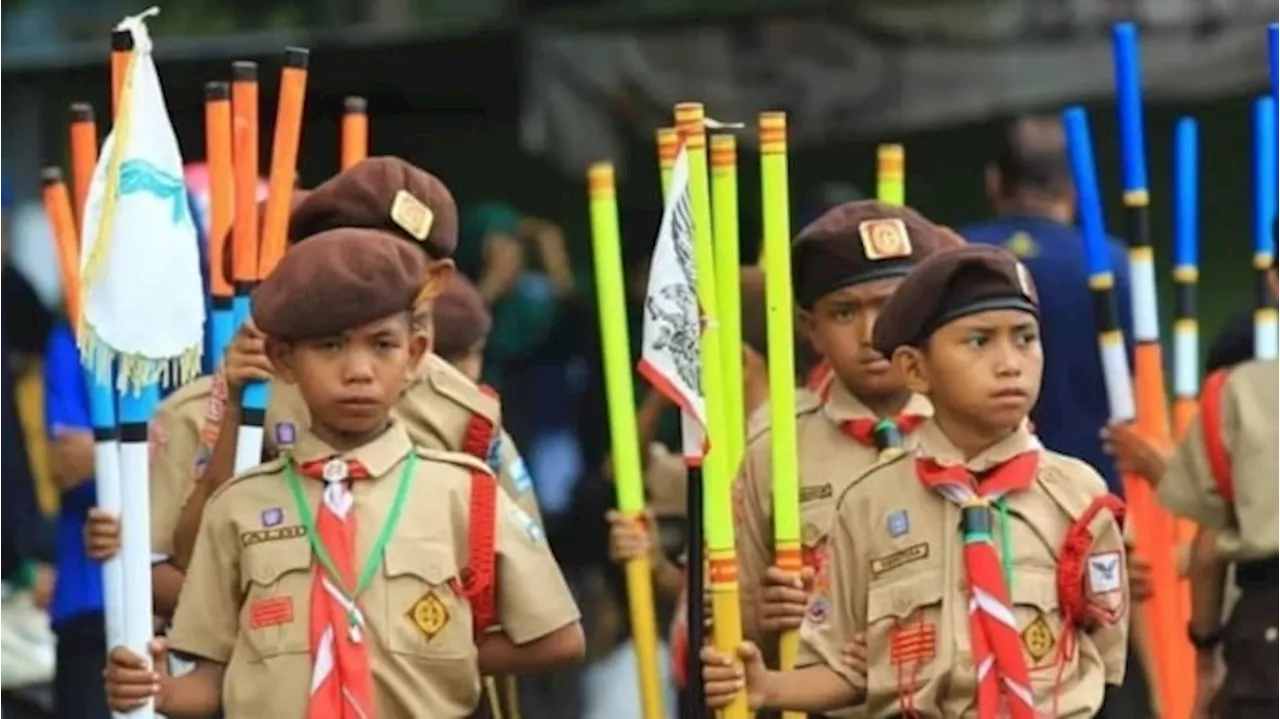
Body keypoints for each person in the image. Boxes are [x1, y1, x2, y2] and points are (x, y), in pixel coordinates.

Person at [102, 227, 584, 717]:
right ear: (283, 360)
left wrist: (441, 654)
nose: (358, 370)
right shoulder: (238, 506)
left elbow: (559, 638)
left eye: (382, 345)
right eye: (330, 346)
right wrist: (155, 691)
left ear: (414, 354)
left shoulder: (463, 492)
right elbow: (212, 679)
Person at [703, 244, 1130, 717]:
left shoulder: (1078, 496)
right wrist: (769, 688)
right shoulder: (869, 504)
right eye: (979, 341)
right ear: (915, 369)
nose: (1010, 363)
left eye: (1025, 338)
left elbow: (1103, 655)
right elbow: (844, 668)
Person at [733, 201, 942, 662]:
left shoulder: (976, 431)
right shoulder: (775, 452)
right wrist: (765, 623)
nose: (871, 334)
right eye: (845, 314)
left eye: (890, 307)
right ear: (812, 329)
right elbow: (733, 630)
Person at [42, 320, 110, 719]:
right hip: (88, 600)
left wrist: (104, 453)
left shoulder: (200, 326)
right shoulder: (73, 334)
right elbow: (67, 461)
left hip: (185, 606)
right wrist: (159, 448)